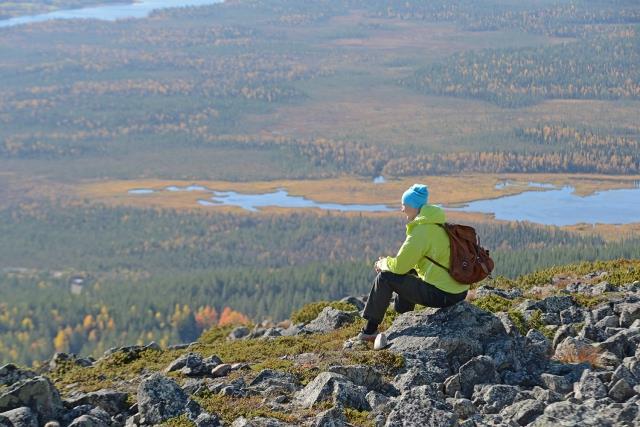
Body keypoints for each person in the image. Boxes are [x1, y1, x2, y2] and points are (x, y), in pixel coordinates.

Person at [357, 183, 469, 342]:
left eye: (404, 205)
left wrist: (382, 264)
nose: (402, 209)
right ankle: (404, 319)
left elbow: (399, 266)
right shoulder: (437, 224)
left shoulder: (421, 232)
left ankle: (369, 331)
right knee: (406, 272)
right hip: (458, 291)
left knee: (385, 278)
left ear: (414, 207)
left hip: (444, 295)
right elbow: (406, 266)